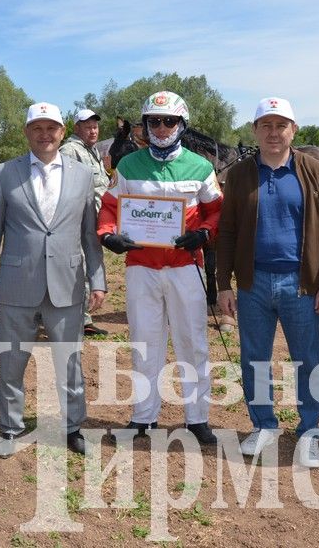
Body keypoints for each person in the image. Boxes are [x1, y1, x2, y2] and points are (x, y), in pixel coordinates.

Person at [0, 102, 106, 457]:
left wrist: (99, 279)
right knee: (12, 361)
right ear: (27, 132)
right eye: (38, 128)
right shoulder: (5, 173)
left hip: (67, 282)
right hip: (17, 284)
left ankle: (71, 426)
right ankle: (10, 427)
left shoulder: (81, 174)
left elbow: (89, 235)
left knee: (70, 361)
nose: (45, 135)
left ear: (63, 132)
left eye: (52, 128)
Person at [215, 97, 319, 466]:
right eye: (266, 125)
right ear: (255, 130)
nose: (273, 133)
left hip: (302, 284)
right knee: (254, 358)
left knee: (307, 359)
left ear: (293, 130)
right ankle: (263, 426)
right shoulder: (239, 175)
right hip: (253, 283)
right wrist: (224, 284)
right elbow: (227, 232)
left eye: (281, 125)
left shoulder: (314, 171)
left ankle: (310, 432)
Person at [98, 90, 223, 445]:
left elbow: (216, 210)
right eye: (155, 120)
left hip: (186, 268)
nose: (162, 127)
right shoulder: (127, 166)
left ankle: (197, 418)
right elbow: (108, 207)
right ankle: (143, 417)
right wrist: (108, 236)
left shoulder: (200, 167)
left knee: (193, 344)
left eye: (169, 121)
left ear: (182, 124)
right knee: (144, 343)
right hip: (142, 267)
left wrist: (203, 233)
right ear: (146, 124)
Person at [60, 108, 109, 336]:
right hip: (78, 220)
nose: (93, 130)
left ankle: (80, 317)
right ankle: (80, 319)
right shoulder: (70, 150)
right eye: (88, 126)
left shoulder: (93, 151)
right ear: (76, 128)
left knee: (88, 265)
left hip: (95, 219)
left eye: (95, 126)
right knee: (79, 267)